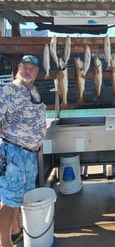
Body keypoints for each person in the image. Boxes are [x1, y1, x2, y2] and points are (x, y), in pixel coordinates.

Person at [0, 55, 47, 247]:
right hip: (13, 153)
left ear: (37, 72)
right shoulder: (9, 90)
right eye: (24, 67)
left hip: (30, 153)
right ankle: (5, 243)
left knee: (21, 197)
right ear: (18, 68)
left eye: (32, 68)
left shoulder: (34, 91)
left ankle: (15, 231)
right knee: (10, 200)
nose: (28, 71)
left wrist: (37, 140)